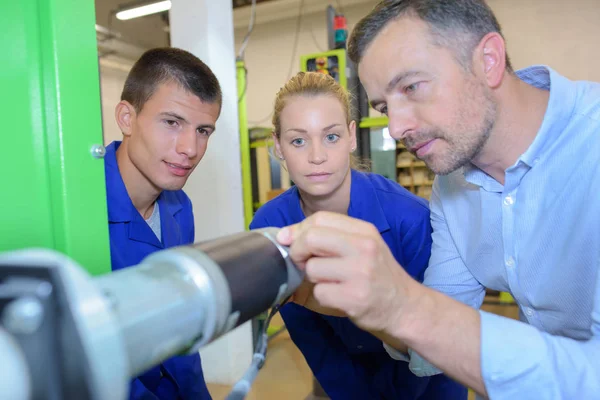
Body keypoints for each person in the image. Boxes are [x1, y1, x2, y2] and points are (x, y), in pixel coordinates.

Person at [274, 0, 600, 398]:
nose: (395, 127)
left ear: (489, 60)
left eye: (411, 87)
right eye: (382, 106)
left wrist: (404, 303)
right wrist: (368, 301)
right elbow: (430, 347)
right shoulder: (452, 187)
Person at [250, 72, 466, 399]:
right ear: (278, 145)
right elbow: (313, 341)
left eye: (331, 137)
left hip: (432, 383)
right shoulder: (271, 227)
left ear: (352, 136)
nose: (317, 156)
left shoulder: (411, 218)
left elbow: (434, 338)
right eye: (298, 140)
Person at [104, 47, 221, 400]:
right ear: (127, 117)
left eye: (203, 130)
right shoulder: (76, 214)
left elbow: (182, 328)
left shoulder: (179, 208)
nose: (190, 148)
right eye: (172, 122)